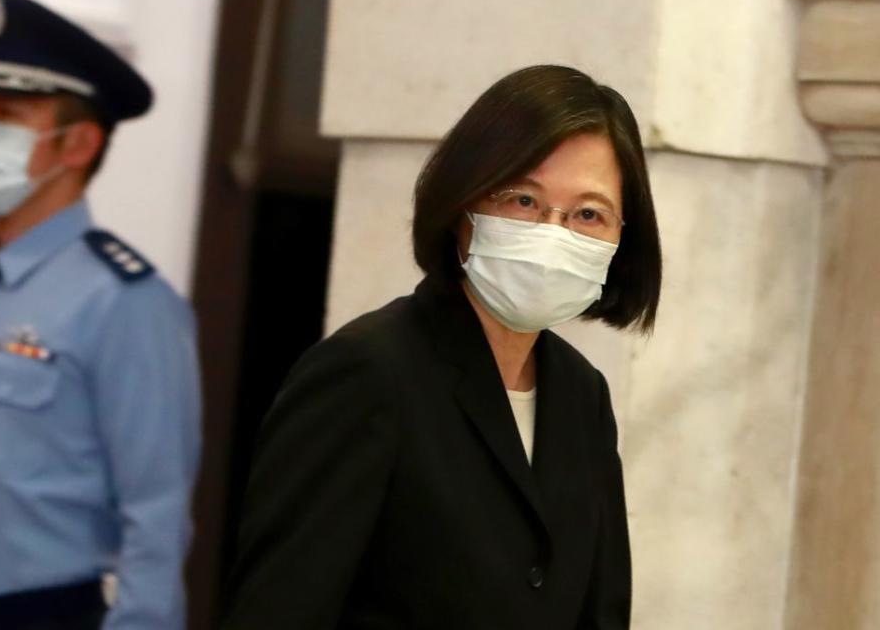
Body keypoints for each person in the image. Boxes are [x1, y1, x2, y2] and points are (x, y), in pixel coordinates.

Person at [223, 64, 662, 629]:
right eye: (524, 201)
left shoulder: (583, 398)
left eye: (588, 214)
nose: (554, 232)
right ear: (463, 205)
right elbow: (278, 610)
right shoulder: (368, 372)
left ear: (620, 239)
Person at [0, 0, 201, 629]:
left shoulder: (126, 301)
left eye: (7, 117)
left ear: (77, 144)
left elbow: (155, 512)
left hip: (35, 613)